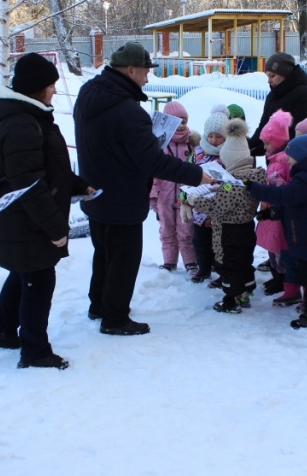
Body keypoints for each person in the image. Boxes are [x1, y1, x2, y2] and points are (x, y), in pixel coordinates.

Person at [73, 41, 212, 336]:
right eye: (145, 71)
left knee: (105, 255)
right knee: (123, 260)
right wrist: (196, 174)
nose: (148, 78)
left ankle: (99, 305)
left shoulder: (88, 95)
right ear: (130, 69)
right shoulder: (128, 111)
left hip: (94, 193)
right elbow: (153, 162)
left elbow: (112, 145)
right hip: (122, 198)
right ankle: (115, 318)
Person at [0, 53, 92, 369]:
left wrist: (79, 185)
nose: (54, 90)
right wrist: (55, 227)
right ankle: (35, 351)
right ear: (36, 88)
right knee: (38, 282)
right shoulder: (22, 125)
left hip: (23, 220)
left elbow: (48, 168)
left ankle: (1, 331)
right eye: (51, 84)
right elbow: (28, 184)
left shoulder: (30, 119)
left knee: (24, 275)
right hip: (26, 222)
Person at [246, 133, 307, 328]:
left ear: (303, 156)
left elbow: (284, 195)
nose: (288, 159)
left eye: (291, 155)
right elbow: (294, 205)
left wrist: (255, 188)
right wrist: (271, 215)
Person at [189, 119, 266, 312]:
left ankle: (231, 301)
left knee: (228, 265)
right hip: (247, 228)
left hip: (228, 231)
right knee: (244, 262)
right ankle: (245, 295)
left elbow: (217, 207)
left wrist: (194, 200)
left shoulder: (231, 184)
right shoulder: (255, 177)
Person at [150, 100, 199, 273]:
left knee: (186, 230)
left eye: (183, 122)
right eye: (176, 122)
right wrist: (153, 194)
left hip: (185, 196)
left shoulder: (192, 143)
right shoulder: (160, 144)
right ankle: (169, 261)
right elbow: (153, 171)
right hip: (164, 195)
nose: (180, 126)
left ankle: (190, 262)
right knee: (167, 230)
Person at [185, 108, 229, 283]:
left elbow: (232, 183)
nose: (213, 140)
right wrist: (185, 199)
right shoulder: (198, 153)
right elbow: (187, 176)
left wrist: (222, 188)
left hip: (220, 208)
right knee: (200, 241)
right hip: (199, 207)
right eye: (210, 136)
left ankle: (221, 271)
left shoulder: (228, 154)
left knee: (220, 243)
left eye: (218, 136)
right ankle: (203, 268)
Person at [254, 110, 294, 299]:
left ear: (278, 141)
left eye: (268, 143)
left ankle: (283, 279)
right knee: (271, 247)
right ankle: (277, 277)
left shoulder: (283, 161)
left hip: (277, 212)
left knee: (279, 248)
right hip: (269, 209)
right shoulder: (273, 160)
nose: (265, 147)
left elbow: (284, 188)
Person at [248, 52, 307, 156]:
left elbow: (303, 133)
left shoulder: (304, 96)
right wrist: (248, 149)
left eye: (272, 76)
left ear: (285, 74)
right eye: (267, 76)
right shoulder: (272, 96)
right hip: (274, 162)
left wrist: (281, 152)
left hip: (293, 161)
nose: (269, 81)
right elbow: (264, 128)